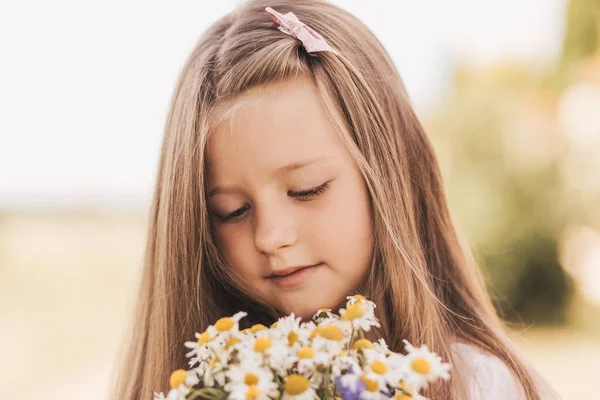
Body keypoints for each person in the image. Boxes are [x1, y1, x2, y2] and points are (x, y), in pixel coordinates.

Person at [110, 1, 561, 398]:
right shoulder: (201, 386)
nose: (271, 235)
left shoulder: (484, 387)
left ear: (390, 176)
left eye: (307, 189)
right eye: (232, 211)